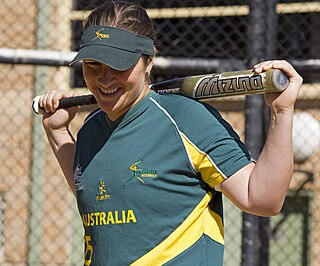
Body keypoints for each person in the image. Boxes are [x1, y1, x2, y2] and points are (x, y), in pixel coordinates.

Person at [38, 1, 303, 265]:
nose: (105, 79)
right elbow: (95, 192)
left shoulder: (186, 119)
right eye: (94, 65)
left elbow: (262, 199)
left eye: (118, 65)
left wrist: (281, 111)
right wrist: (58, 131)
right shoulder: (91, 129)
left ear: (149, 61)